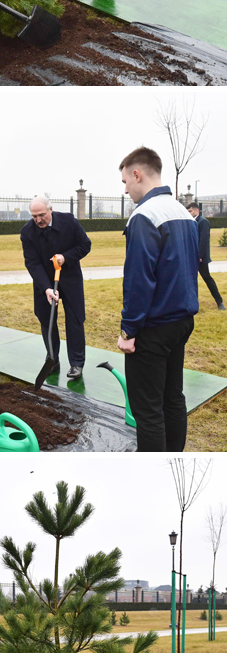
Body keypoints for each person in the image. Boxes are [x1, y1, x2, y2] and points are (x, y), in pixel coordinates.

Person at [118, 146, 199, 453]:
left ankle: (151, 471)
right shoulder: (182, 212)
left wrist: (129, 331)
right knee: (172, 397)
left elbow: (139, 281)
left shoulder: (144, 216)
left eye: (126, 181)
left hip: (153, 327)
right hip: (181, 321)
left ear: (137, 174)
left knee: (147, 408)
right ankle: (174, 458)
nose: (125, 189)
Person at [21, 195, 91, 380]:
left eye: (42, 215)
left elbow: (85, 245)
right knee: (47, 320)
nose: (38, 220)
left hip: (70, 279)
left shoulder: (68, 221)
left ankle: (76, 363)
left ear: (50, 210)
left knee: (75, 321)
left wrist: (65, 257)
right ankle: (52, 358)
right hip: (44, 282)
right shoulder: (27, 232)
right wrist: (46, 288)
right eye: (34, 216)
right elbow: (32, 263)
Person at [186, 201, 225, 313]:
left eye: (190, 211)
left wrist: (200, 256)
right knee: (190, 281)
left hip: (200, 258)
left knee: (207, 278)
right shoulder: (190, 222)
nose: (189, 213)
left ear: (197, 210)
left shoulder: (203, 222)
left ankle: (219, 302)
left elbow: (204, 240)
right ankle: (191, 304)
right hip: (191, 257)